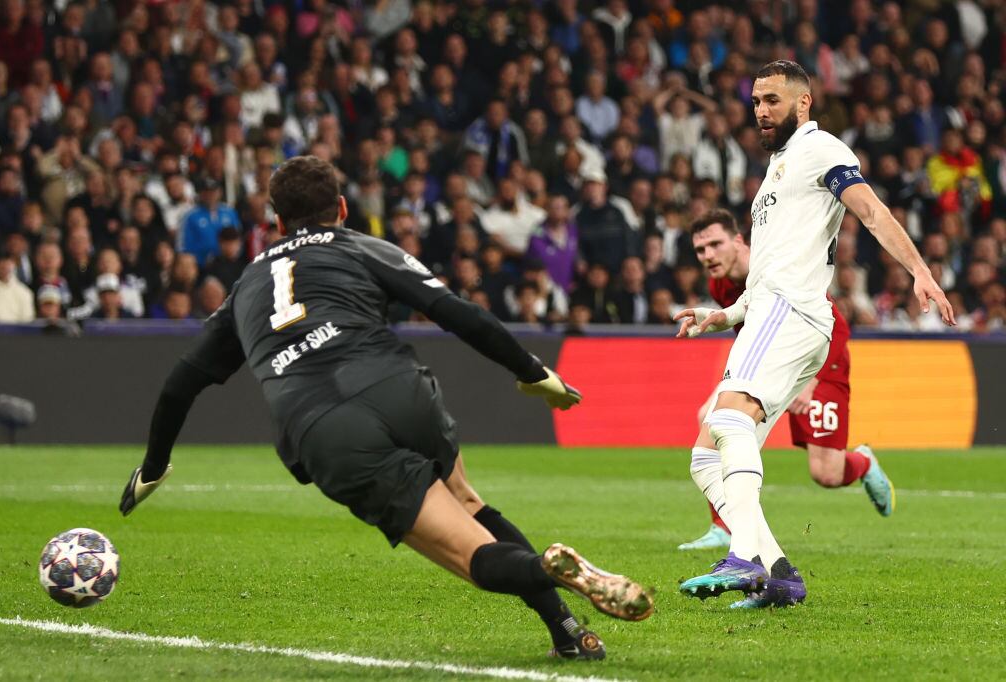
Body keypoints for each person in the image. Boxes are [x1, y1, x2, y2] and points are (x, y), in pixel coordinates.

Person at [119, 156, 652, 658]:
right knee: (467, 502)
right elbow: (456, 312)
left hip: (322, 427)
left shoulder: (247, 287)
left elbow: (178, 386)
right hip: (396, 386)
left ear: (276, 222)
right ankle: (564, 629)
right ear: (343, 208)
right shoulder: (362, 247)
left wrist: (154, 466)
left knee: (474, 558)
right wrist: (534, 372)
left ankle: (551, 572)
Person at [672, 61, 953, 609]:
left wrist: (919, 269)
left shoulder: (821, 150)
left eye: (772, 100)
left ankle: (745, 556)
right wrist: (723, 316)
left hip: (791, 313)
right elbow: (768, 272)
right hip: (774, 312)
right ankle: (778, 575)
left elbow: (870, 210)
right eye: (756, 101)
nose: (760, 110)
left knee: (727, 418)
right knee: (706, 456)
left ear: (803, 103)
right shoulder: (776, 171)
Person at [677, 208, 895, 553]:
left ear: (738, 240)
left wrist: (810, 380)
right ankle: (725, 525)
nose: (708, 256)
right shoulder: (720, 283)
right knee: (712, 419)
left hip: (819, 361)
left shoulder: (773, 267)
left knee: (826, 473)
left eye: (715, 244)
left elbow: (836, 326)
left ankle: (864, 462)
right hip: (768, 363)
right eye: (700, 250)